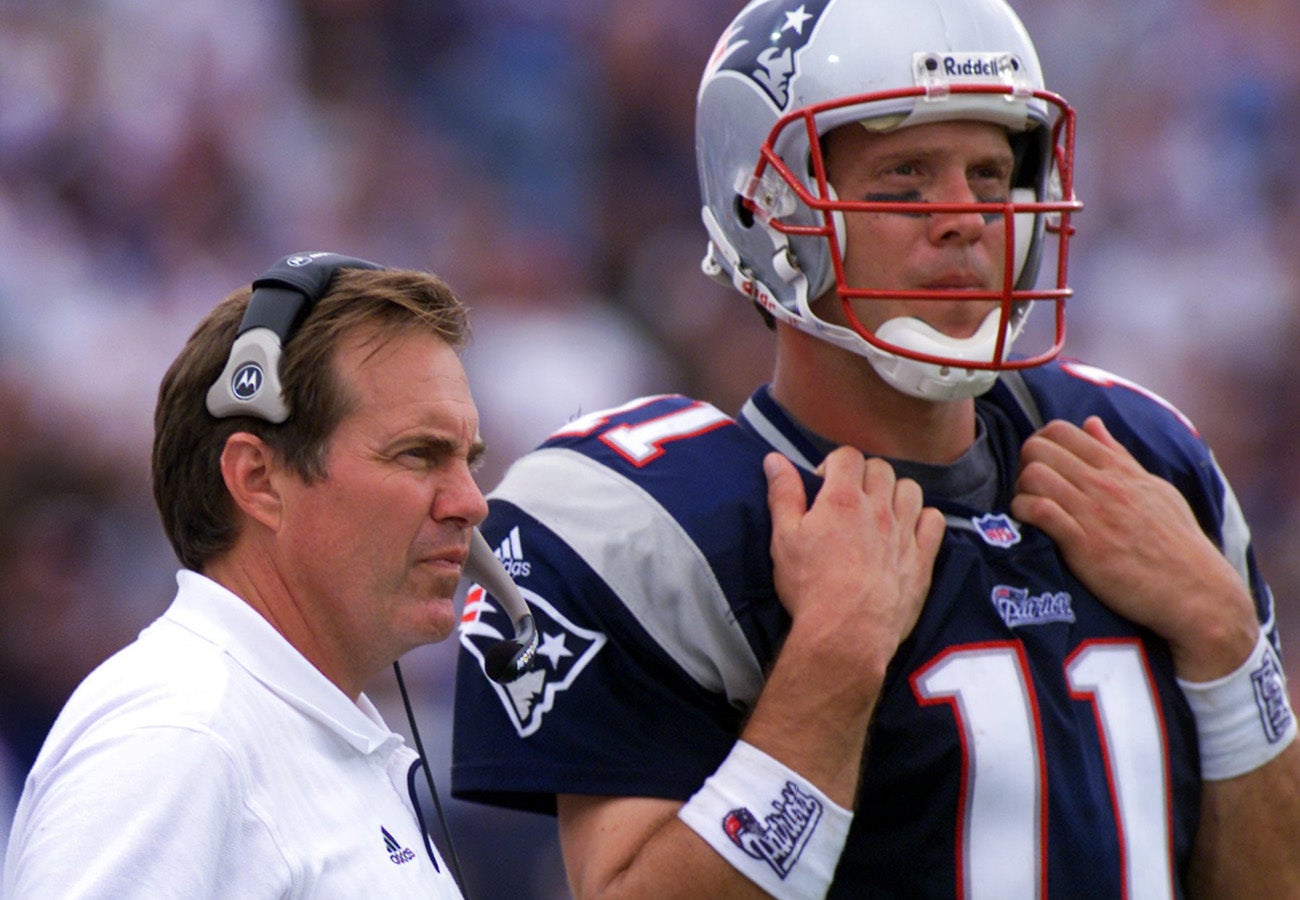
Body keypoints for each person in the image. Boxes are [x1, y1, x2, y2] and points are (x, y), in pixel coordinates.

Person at [451, 0, 1300, 897]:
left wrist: (1228, 647)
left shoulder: (1136, 455)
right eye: (902, 181)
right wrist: (831, 664)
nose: (965, 218)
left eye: (989, 173)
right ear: (765, 206)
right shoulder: (659, 525)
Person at [3, 252, 487, 897]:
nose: (471, 503)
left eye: (467, 461)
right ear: (258, 480)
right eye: (419, 453)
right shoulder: (180, 738)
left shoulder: (256, 730)